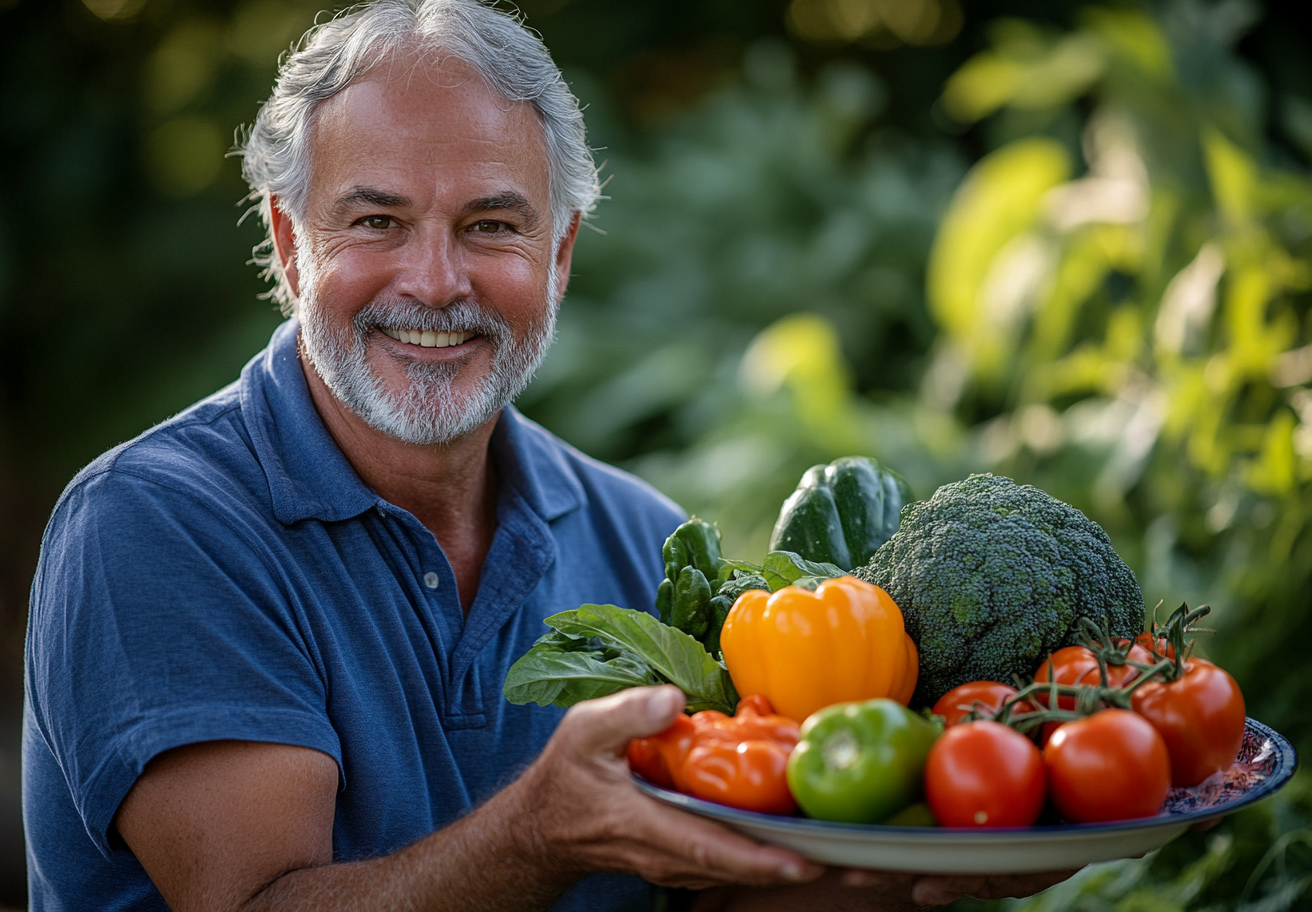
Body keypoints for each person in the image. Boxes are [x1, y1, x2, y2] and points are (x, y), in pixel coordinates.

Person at [24, 1, 1071, 909]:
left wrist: (922, 854)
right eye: (377, 220)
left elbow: (717, 894)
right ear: (293, 244)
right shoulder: (156, 525)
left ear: (559, 252)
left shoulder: (644, 543)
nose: (435, 282)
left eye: (491, 226)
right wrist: (540, 832)